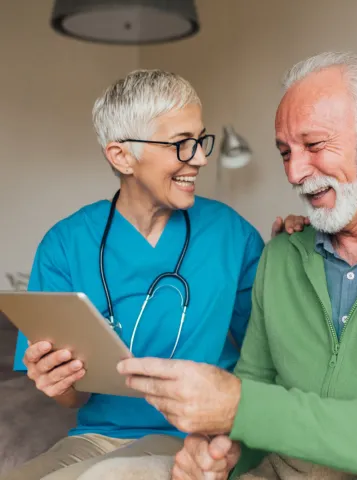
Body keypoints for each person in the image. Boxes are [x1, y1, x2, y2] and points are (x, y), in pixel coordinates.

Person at [113, 52, 357, 480]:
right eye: (285, 151)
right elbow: (255, 391)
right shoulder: (282, 254)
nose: (295, 171)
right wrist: (220, 450)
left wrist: (241, 407)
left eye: (314, 145)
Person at [4, 69, 305, 480]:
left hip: (194, 439)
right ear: (121, 156)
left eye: (200, 141)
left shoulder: (229, 234)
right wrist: (58, 382)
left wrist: (292, 258)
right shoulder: (64, 244)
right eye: (182, 144)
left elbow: (276, 352)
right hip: (97, 436)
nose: (199, 157)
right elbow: (73, 398)